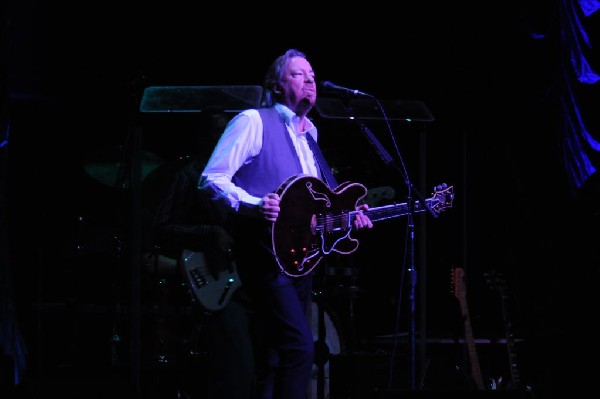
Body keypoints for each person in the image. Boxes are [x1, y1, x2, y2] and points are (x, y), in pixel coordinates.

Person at [198, 48, 373, 399]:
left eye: (311, 74)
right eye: (297, 74)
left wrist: (348, 218)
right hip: (264, 256)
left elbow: (316, 208)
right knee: (299, 349)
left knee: (274, 355)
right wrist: (253, 205)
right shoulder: (252, 121)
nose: (309, 79)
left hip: (300, 260)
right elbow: (211, 179)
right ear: (276, 86)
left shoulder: (312, 137)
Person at [148, 112, 255, 399]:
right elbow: (161, 227)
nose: (222, 142)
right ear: (202, 139)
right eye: (215, 135)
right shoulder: (190, 175)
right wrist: (208, 232)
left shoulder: (243, 176)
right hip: (211, 281)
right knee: (235, 371)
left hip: (245, 282)